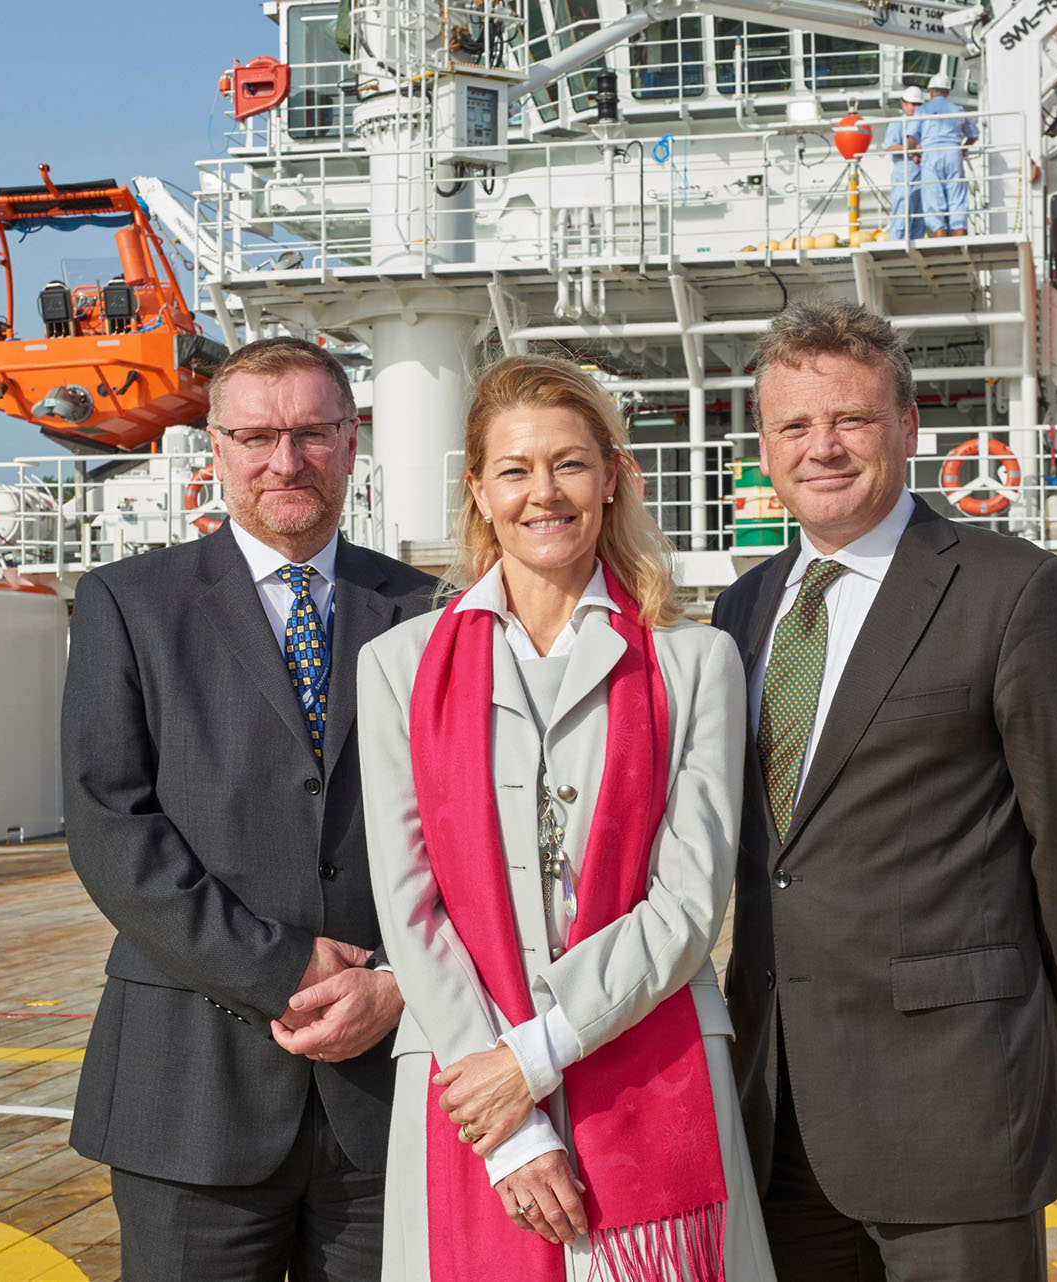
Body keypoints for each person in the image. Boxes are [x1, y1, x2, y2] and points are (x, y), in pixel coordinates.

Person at [711, 301, 1057, 1282]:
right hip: (779, 1109)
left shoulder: (1012, 590)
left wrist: (1024, 1021)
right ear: (766, 447)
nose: (822, 447)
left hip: (958, 1104)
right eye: (793, 425)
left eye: (852, 419)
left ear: (908, 428)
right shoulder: (743, 608)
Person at [357, 356, 776, 1282]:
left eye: (570, 464)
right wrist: (506, 1120)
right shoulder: (397, 666)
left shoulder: (694, 660)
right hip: (465, 1082)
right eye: (514, 470)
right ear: (478, 491)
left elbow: (689, 903)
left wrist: (534, 1056)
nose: (543, 493)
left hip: (647, 1056)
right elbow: (409, 904)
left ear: (612, 477)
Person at [63, 336, 436, 1282]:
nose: (285, 461)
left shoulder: (432, 611)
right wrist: (283, 968)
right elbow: (112, 828)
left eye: (311, 433)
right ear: (217, 449)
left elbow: (475, 832)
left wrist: (401, 982)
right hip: (191, 1092)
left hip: (392, 1085)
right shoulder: (128, 604)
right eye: (257, 437)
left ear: (351, 442)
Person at [917, 73, 978, 237]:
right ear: (948, 91)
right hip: (953, 154)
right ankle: (960, 234)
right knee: (957, 196)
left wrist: (914, 152)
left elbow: (911, 137)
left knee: (933, 196)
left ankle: (939, 235)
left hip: (930, 155)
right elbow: (974, 134)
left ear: (931, 91)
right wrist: (963, 150)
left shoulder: (922, 110)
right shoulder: (958, 110)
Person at [879, 86, 924, 242]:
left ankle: (918, 244)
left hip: (922, 172)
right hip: (904, 170)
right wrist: (912, 149)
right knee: (903, 211)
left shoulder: (923, 123)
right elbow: (890, 146)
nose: (915, 108)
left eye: (919, 104)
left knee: (920, 215)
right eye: (913, 104)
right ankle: (897, 244)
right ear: (904, 105)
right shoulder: (898, 123)